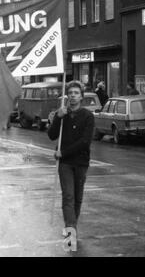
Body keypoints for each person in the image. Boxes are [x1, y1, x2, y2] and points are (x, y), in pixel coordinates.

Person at [48, 81, 95, 251]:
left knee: (77, 199)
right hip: (65, 164)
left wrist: (63, 152)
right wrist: (58, 117)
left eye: (76, 92)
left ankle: (71, 226)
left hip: (81, 162)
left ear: (81, 96)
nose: (73, 95)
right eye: (71, 93)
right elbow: (52, 136)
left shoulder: (88, 116)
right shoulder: (62, 114)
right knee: (68, 197)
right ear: (67, 96)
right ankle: (71, 234)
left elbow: (85, 142)